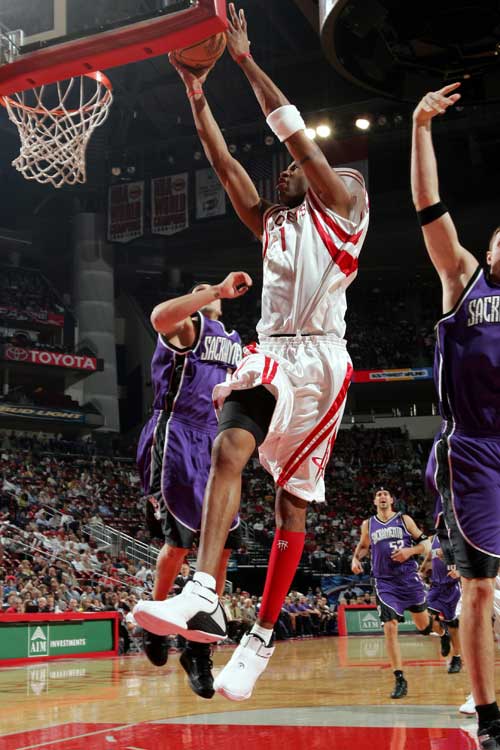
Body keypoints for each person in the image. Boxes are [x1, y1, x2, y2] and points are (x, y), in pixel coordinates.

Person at [133, 2, 369, 702]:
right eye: (289, 171)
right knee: (228, 448)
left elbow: (295, 136)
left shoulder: (342, 215)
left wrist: (245, 59)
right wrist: (196, 94)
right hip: (270, 354)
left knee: (292, 508)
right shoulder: (273, 224)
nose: (287, 172)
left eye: (302, 169)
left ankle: (261, 637)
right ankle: (203, 593)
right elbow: (225, 164)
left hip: (323, 365)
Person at [411, 82, 500, 748]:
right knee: (479, 588)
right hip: (472, 451)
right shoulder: (465, 278)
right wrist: (420, 128)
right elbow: (429, 207)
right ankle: (489, 714)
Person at [134, 276, 246, 698]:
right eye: (199, 290)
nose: (206, 291)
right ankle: (155, 625)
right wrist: (214, 291)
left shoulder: (236, 343)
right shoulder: (187, 325)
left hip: (217, 440)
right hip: (178, 432)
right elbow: (159, 317)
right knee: (179, 542)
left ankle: (198, 650)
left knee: (223, 547)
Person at [351, 488, 450, 699]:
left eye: (385, 494)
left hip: (408, 579)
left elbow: (425, 543)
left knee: (424, 627)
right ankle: (399, 678)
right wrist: (355, 559)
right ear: (374, 501)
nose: (382, 496)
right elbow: (363, 546)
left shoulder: (404, 519)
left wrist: (410, 551)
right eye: (378, 495)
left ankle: (443, 632)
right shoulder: (368, 524)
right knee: (389, 626)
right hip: (384, 582)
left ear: (391, 500)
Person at [419, 531, 462, 673]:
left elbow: (470, 561)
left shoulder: (459, 536)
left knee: (453, 626)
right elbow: (429, 557)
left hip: (452, 588)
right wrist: (421, 571)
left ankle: (456, 658)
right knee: (426, 619)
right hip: (436, 587)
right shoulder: (433, 538)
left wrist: (460, 572)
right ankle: (443, 635)